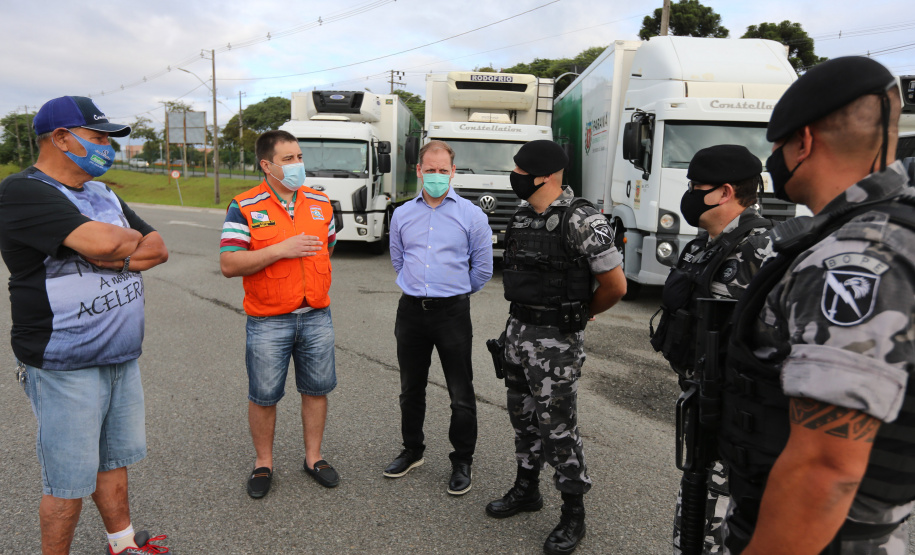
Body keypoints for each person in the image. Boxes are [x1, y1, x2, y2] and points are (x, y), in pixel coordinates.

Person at [718, 57, 915, 554]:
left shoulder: (855, 258)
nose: (774, 162)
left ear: (803, 142)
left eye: (778, 147)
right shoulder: (886, 230)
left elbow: (826, 470)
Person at [0, 96, 169, 555]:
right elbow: (107, 238)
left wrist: (108, 252)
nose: (107, 148)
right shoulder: (23, 190)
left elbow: (156, 247)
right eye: (98, 138)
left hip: (119, 355)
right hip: (64, 363)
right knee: (68, 480)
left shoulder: (103, 192)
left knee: (113, 461)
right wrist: (107, 245)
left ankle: (122, 544)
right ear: (60, 138)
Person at [487, 140, 627, 554]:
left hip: (556, 344)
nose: (513, 176)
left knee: (558, 428)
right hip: (517, 332)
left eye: (518, 169)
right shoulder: (524, 215)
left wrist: (580, 314)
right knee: (523, 418)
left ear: (544, 175)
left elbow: (616, 285)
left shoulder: (583, 219)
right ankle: (527, 489)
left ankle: (573, 513)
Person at [650, 145, 772, 554]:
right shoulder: (702, 246)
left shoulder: (763, 252)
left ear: (723, 192)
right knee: (693, 517)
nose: (687, 194)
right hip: (702, 406)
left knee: (717, 532)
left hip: (739, 419)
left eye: (694, 187)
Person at [220, 129, 339, 497]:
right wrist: (280, 249)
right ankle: (263, 463)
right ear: (266, 165)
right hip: (269, 319)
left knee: (316, 390)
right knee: (265, 394)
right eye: (288, 160)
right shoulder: (245, 206)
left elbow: (327, 247)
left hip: (316, 316)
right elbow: (228, 263)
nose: (297, 165)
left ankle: (313, 457)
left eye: (299, 157)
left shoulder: (321, 203)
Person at [383, 139, 493, 496]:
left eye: (442, 171)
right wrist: (422, 287)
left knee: (461, 393)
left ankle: (462, 460)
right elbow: (398, 260)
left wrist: (452, 291)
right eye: (429, 170)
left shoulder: (472, 215)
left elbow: (482, 270)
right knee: (409, 389)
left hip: (452, 313)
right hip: (411, 311)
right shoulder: (401, 214)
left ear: (452, 172)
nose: (435, 176)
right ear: (418, 170)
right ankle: (412, 450)